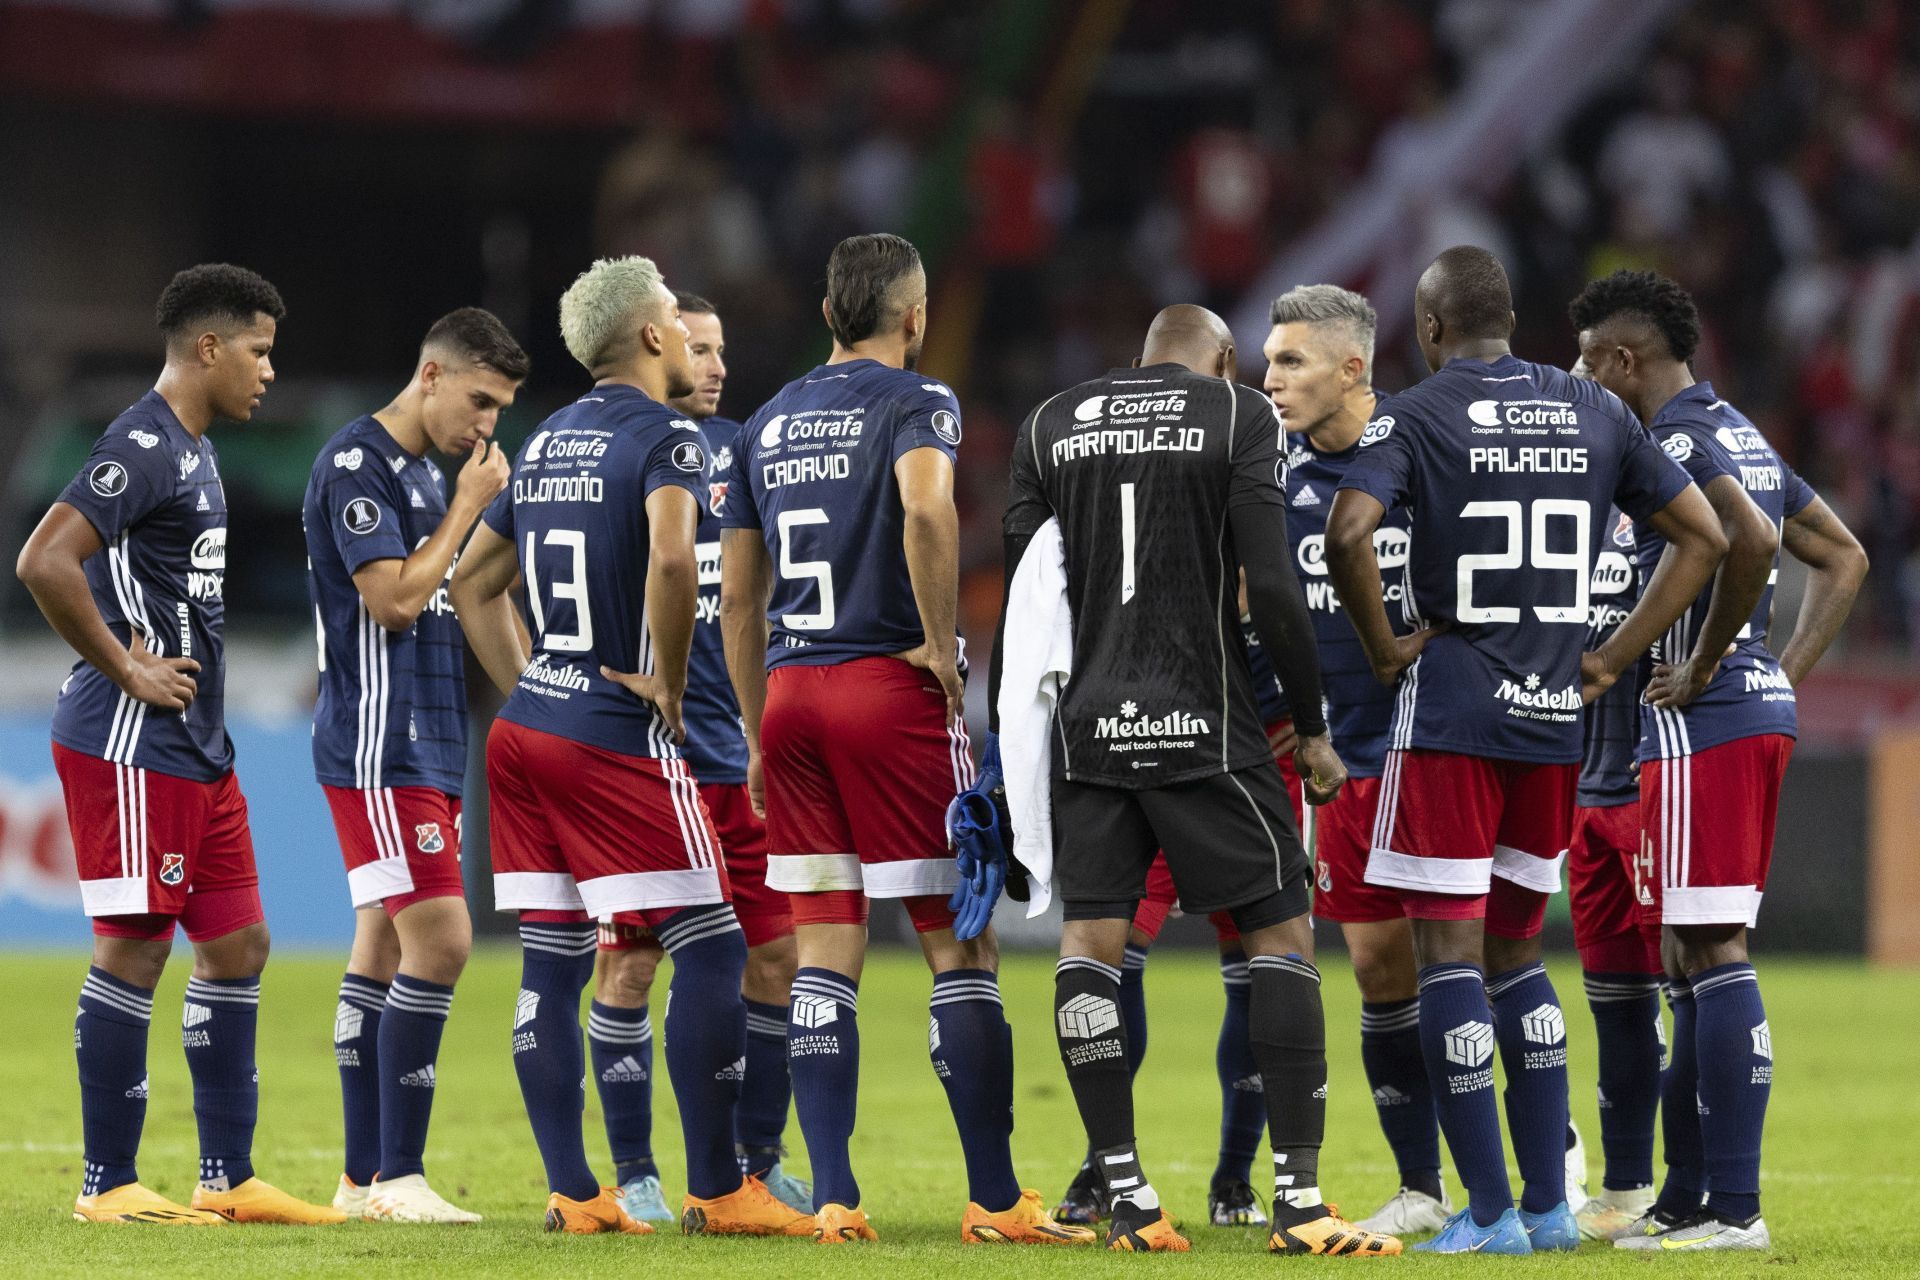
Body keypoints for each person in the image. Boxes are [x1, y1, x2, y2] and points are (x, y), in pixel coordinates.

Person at [1324, 246, 1727, 1254]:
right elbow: (1708, 535)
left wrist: (1383, 648)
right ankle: (1548, 1202)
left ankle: (1490, 1211)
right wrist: (1614, 654)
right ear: (1514, 318)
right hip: (1551, 720)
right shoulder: (1592, 407)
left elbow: (1347, 528)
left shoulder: (1414, 413)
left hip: (1454, 711)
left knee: (1446, 954)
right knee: (1518, 951)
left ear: (1427, 328)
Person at [996, 302, 1402, 1257]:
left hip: (1091, 730)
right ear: (1221, 360)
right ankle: (1298, 1206)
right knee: (1281, 938)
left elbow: (1027, 592)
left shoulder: (1050, 422)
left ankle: (1127, 1198)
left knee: (1089, 946)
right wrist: (1308, 728)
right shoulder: (1234, 417)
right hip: (1207, 727)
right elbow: (1271, 584)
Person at [718, 233, 1089, 1248]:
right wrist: (936, 638)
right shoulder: (917, 401)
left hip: (792, 691)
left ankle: (835, 1195)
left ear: (830, 312)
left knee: (824, 951)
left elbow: (738, 596)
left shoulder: (763, 422)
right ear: (913, 315)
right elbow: (927, 509)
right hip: (889, 683)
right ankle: (998, 1198)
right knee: (958, 941)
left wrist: (756, 728)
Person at [450, 256, 808, 1238]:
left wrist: (534, 682)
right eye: (687, 333)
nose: (700, 351)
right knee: (712, 940)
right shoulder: (668, 438)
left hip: (527, 731)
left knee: (552, 961)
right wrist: (662, 671)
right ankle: (721, 1185)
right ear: (653, 336)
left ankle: (576, 1189)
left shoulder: (550, 437)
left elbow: (471, 584)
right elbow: (666, 554)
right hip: (616, 732)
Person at [16, 263, 343, 1226]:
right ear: (208, 347)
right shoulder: (144, 444)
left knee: (240, 944)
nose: (268, 373)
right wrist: (126, 667)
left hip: (199, 745)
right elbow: (44, 557)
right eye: (259, 351)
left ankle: (227, 1178)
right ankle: (105, 1186)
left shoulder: (195, 452)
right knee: (134, 950)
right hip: (131, 740)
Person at [1571, 270, 1868, 1251]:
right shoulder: (1737, 426)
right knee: (1686, 954)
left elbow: (1743, 537)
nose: (1578, 373)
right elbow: (1843, 554)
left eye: (1585, 357)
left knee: (1711, 950)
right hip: (1745, 706)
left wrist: (1703, 662)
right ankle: (1688, 1199)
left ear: (1623, 359)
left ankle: (1733, 1205)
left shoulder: (1677, 439)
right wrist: (1777, 670)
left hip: (1707, 718)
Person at [588, 291, 810, 1222]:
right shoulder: (629, 454)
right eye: (697, 347)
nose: (714, 365)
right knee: (631, 967)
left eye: (721, 350)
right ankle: (638, 1170)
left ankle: (757, 1159)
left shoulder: (748, 453)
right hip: (653, 760)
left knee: (780, 958)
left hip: (740, 762)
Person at [303, 307, 526, 1222]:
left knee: (386, 944)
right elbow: (393, 601)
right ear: (430, 374)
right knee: (442, 939)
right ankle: (398, 1175)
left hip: (430, 739)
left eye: (501, 411)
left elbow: (456, 596)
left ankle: (362, 1182)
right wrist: (472, 508)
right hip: (379, 741)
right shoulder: (358, 465)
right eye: (478, 401)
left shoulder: (428, 478)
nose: (487, 428)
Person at [1264, 284, 1460, 1235]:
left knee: (1470, 962)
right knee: (1381, 971)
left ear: (1352, 368)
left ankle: (1545, 1161)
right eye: (1269, 360)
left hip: (1442, 746)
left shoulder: (1424, 452)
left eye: (1291, 362)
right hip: (1343, 760)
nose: (1271, 380)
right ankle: (1421, 1187)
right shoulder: (1267, 473)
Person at [1052, 632, 1302, 1233]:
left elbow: (1321, 611)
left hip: (1254, 760)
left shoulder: (1288, 544)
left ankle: (1234, 1176)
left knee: (1257, 962)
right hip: (1152, 751)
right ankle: (1104, 1168)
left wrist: (1322, 716)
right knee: (1112, 954)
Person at [1563, 351, 1664, 1241]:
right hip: (1583, 786)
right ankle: (1628, 1187)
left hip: (1652, 778)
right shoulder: (1565, 517)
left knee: (1692, 987)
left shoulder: (1667, 512)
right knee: (1616, 1001)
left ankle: (1704, 1193)